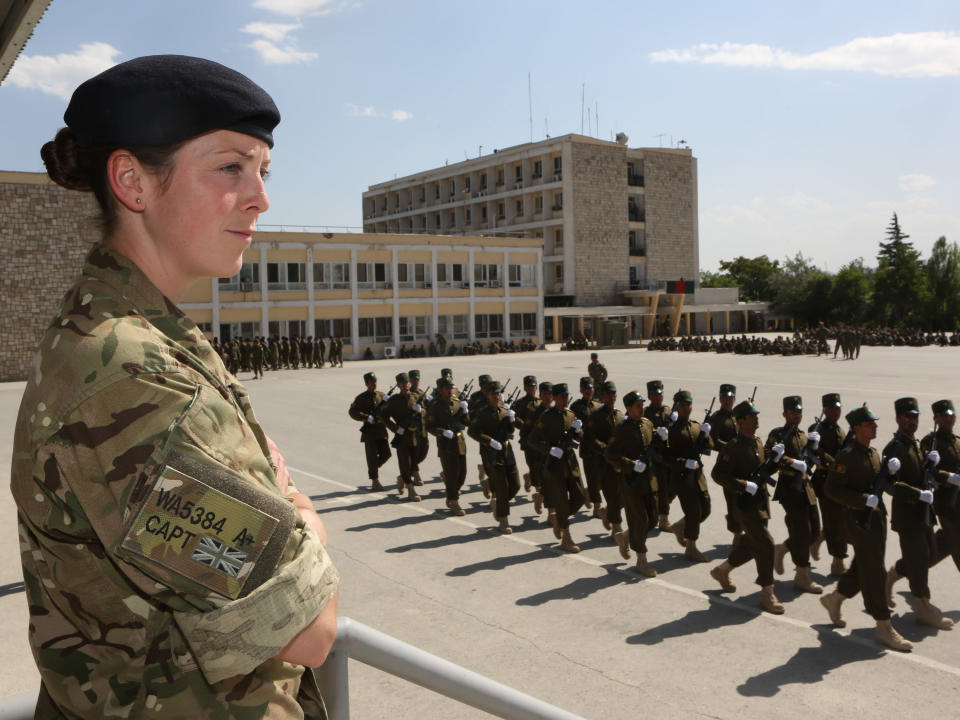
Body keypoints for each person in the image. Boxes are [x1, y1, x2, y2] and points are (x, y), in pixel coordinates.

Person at [12, 55, 339, 717]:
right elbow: (310, 629)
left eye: (262, 171)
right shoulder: (129, 378)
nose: (261, 197)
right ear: (132, 180)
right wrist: (300, 516)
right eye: (230, 167)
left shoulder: (128, 327)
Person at [821, 406, 913, 651]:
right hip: (859, 522)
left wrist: (892, 473)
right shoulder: (846, 455)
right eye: (869, 424)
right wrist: (863, 501)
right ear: (857, 428)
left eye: (874, 423)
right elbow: (832, 490)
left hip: (876, 520)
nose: (875, 426)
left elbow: (879, 483)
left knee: (863, 564)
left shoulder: (872, 453)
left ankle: (835, 598)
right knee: (875, 572)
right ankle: (883, 626)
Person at [880, 397, 953, 629]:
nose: (912, 421)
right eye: (907, 417)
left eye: (915, 417)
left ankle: (893, 575)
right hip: (908, 515)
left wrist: (935, 469)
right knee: (920, 559)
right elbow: (890, 485)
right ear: (898, 419)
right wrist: (917, 494)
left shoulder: (915, 444)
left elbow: (924, 476)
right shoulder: (894, 449)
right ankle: (923, 608)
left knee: (930, 554)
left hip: (925, 513)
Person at [709, 400, 785, 613]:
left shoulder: (757, 442)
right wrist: (743, 485)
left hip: (760, 503)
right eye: (751, 416)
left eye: (756, 415)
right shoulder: (733, 446)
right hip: (744, 506)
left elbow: (762, 471)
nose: (756, 418)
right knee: (767, 545)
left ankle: (722, 570)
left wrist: (776, 460)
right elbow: (718, 474)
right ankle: (767, 593)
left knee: (751, 544)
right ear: (740, 421)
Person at [766, 396, 823, 594]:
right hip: (789, 488)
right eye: (793, 412)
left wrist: (814, 449)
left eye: (799, 412)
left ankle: (782, 549)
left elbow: (810, 463)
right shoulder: (778, 434)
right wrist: (790, 462)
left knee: (815, 531)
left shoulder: (804, 436)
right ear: (784, 414)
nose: (797, 415)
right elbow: (769, 459)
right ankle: (802, 576)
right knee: (802, 532)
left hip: (806, 487)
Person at [527, 383, 586, 552]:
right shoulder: (546, 416)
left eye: (567, 396)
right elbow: (532, 439)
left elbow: (579, 438)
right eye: (563, 396)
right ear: (555, 398)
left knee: (580, 497)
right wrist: (549, 450)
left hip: (570, 463)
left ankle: (560, 520)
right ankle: (566, 538)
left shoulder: (571, 414)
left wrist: (578, 430)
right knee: (560, 500)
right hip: (555, 466)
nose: (566, 399)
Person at [605, 390, 657, 575]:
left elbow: (654, 445)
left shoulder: (648, 424)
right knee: (641, 521)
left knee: (652, 520)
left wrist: (664, 436)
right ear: (628, 408)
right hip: (631, 483)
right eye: (637, 406)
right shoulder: (622, 429)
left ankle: (625, 537)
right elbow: (610, 455)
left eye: (642, 405)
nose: (641, 408)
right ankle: (641, 561)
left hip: (649, 481)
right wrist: (631, 465)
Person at [663, 390, 713, 562]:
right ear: (676, 406)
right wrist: (683, 462)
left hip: (698, 476)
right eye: (683, 405)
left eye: (689, 404)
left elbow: (708, 447)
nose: (687, 408)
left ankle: (680, 526)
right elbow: (665, 457)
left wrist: (706, 436)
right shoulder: (670, 429)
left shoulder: (695, 425)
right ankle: (691, 548)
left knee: (705, 509)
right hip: (682, 477)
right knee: (694, 511)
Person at [468, 380, 522, 534]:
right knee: (502, 487)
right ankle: (503, 520)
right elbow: (472, 431)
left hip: (506, 450)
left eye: (499, 393)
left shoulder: (505, 410)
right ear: (488, 395)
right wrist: (489, 441)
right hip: (491, 453)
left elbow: (510, 431)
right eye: (493, 393)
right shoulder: (483, 412)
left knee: (516, 484)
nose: (497, 396)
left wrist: (511, 420)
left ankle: (497, 501)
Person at [809, 393, 850, 576]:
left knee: (838, 520)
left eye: (838, 408)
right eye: (832, 408)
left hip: (840, 483)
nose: (836, 412)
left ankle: (820, 539)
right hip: (824, 483)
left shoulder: (840, 430)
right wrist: (835, 463)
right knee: (836, 522)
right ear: (825, 410)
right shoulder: (817, 429)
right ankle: (838, 562)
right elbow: (816, 454)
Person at [920, 399, 960, 573]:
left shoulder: (958, 441)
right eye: (943, 417)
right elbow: (926, 470)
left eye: (950, 416)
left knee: (941, 546)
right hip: (947, 504)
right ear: (935, 419)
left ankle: (901, 570)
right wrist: (949, 477)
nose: (948, 419)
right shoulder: (930, 442)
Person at [426, 378, 470, 515]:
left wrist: (465, 411)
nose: (450, 390)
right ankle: (454, 501)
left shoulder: (457, 402)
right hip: (446, 445)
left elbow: (466, 422)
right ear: (440, 389)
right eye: (447, 388)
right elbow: (429, 426)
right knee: (452, 475)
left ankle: (451, 493)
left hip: (459, 442)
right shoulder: (435, 406)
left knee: (462, 474)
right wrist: (442, 432)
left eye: (451, 387)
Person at [380, 372, 423, 501]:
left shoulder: (415, 397)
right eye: (402, 383)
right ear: (398, 385)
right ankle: (410, 488)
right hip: (402, 437)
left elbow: (425, 413)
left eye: (407, 383)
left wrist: (421, 410)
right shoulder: (393, 401)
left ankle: (402, 478)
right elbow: (383, 416)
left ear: (410, 383)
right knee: (404, 462)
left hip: (415, 435)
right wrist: (395, 428)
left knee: (414, 463)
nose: (405, 385)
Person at [707, 383, 740, 540]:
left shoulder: (738, 416)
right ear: (720, 398)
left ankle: (738, 526)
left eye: (730, 397)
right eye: (724, 397)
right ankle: (736, 533)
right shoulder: (716, 418)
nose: (727, 400)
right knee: (731, 499)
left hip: (742, 462)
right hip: (726, 464)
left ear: (734, 398)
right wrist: (729, 447)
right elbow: (713, 440)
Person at [348, 371, 392, 491]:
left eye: (375, 381)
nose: (374, 384)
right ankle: (375, 481)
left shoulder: (382, 395)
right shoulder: (361, 398)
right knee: (372, 457)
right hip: (370, 433)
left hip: (381, 431)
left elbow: (390, 409)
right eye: (371, 382)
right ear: (366, 384)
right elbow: (352, 412)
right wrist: (366, 417)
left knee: (387, 454)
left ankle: (373, 469)